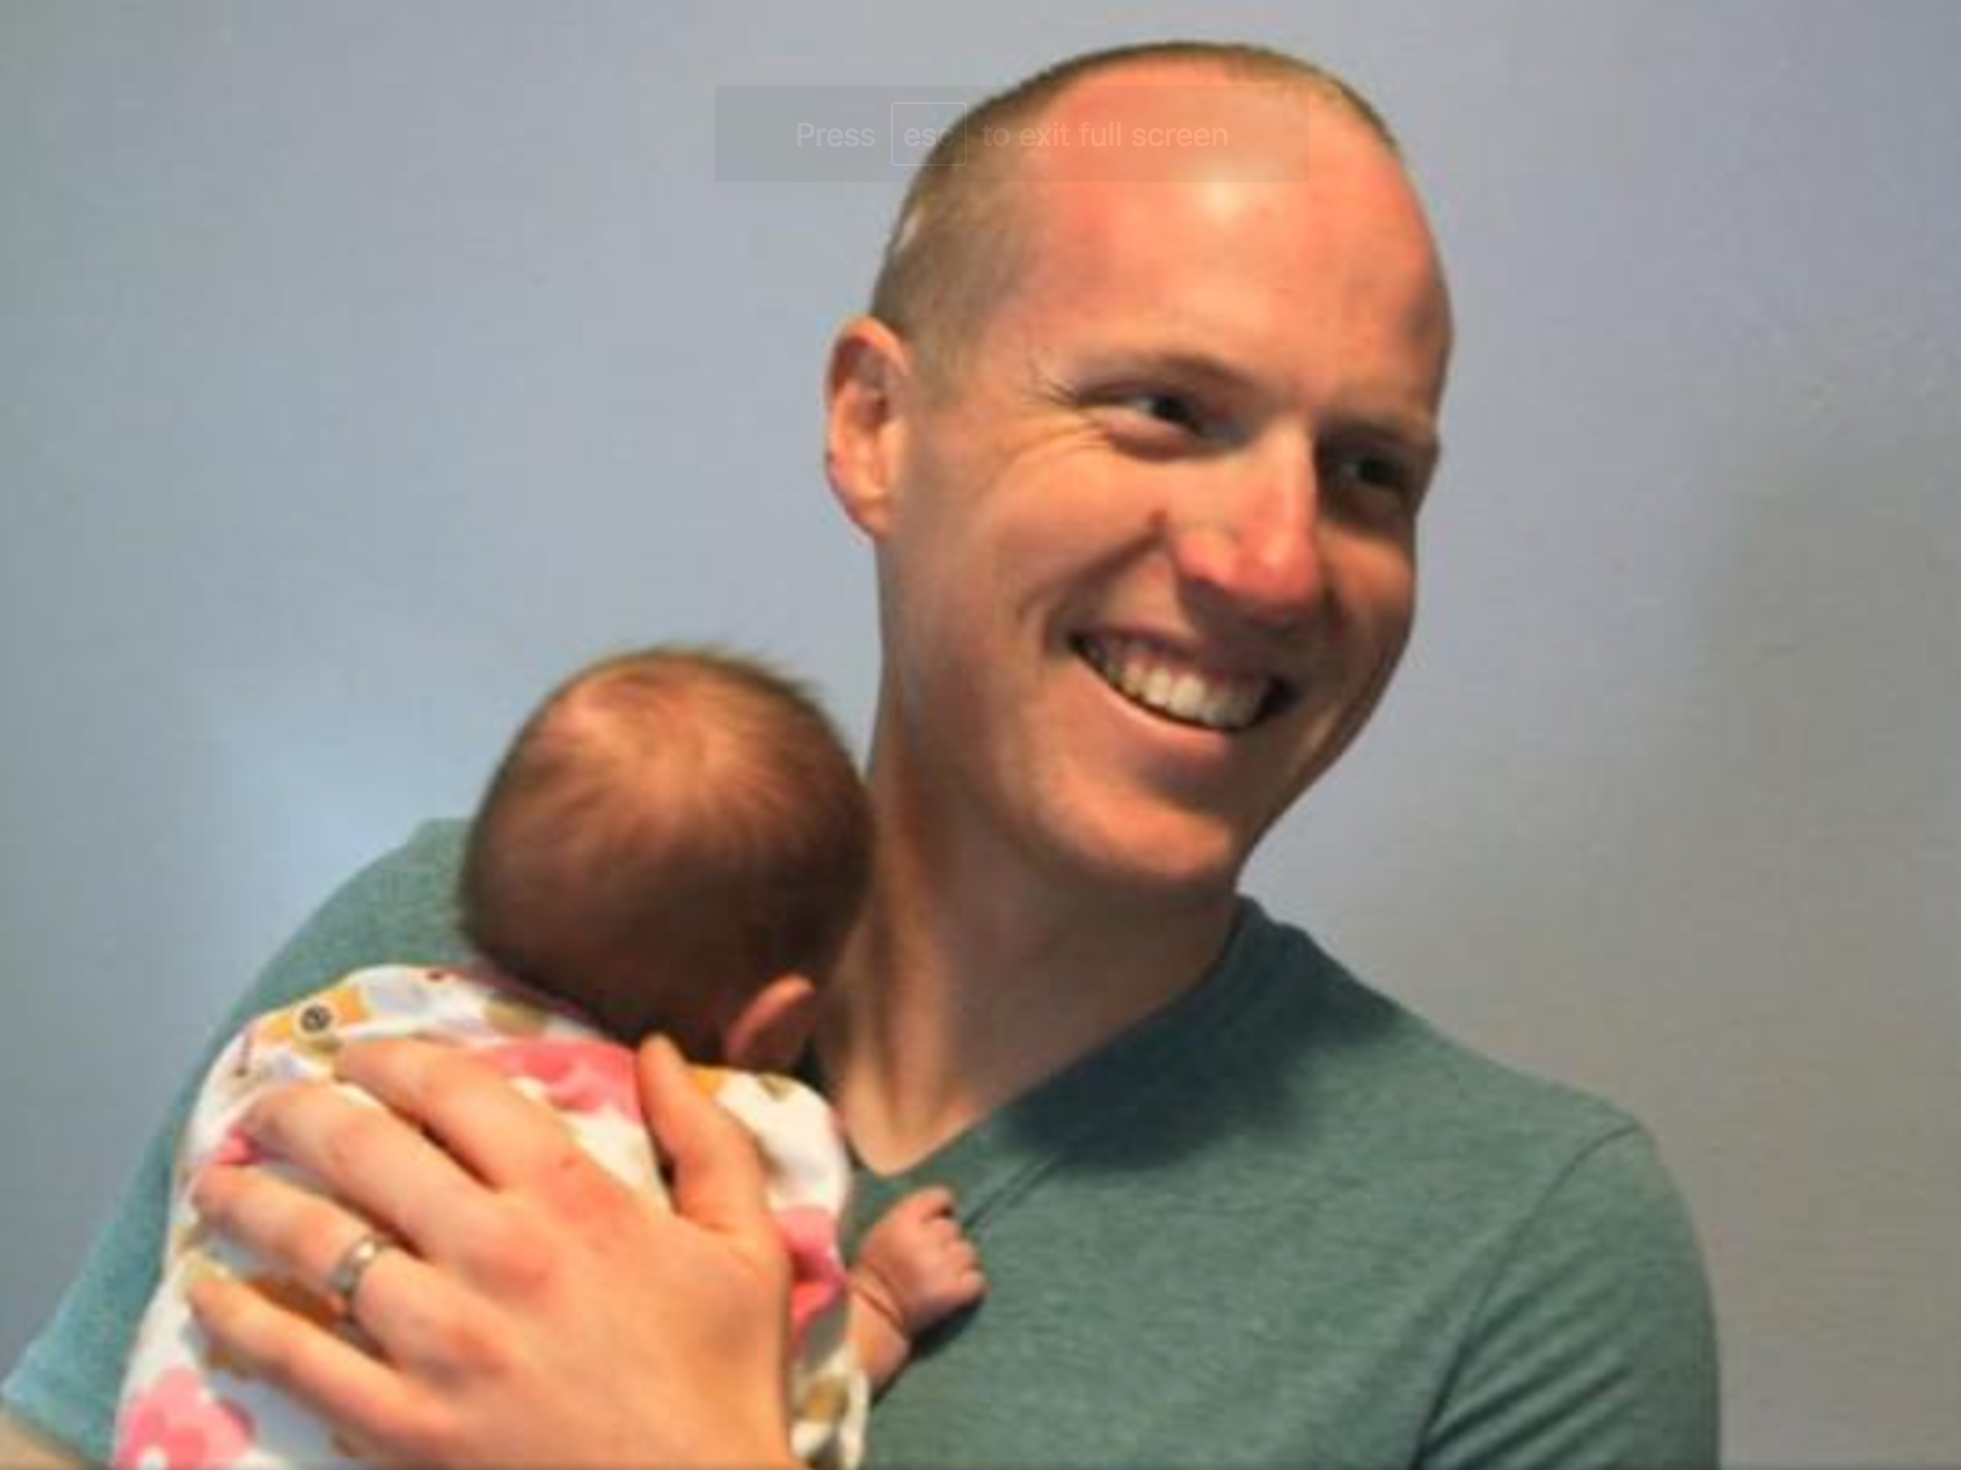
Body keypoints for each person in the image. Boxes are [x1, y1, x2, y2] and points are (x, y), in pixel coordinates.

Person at [3, 40, 1719, 1470]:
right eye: (1164, 409)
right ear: (876, 427)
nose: (1274, 562)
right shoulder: (452, 936)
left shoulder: (1528, 1256)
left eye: (1369, 474)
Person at [112, 646, 983, 1470]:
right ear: (772, 1022)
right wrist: (875, 1310)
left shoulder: (324, 1032)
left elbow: (196, 1228)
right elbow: (767, 1400)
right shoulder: (747, 1143)